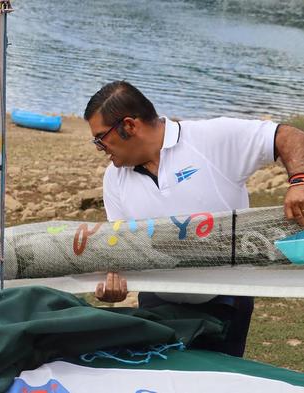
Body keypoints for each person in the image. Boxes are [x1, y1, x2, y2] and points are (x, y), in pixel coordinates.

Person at [84, 80, 304, 357]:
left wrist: (300, 181)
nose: (99, 148)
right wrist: (112, 283)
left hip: (225, 300)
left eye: (100, 138)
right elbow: (124, 246)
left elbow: (289, 136)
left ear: (129, 125)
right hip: (157, 301)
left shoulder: (210, 138)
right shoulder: (113, 178)